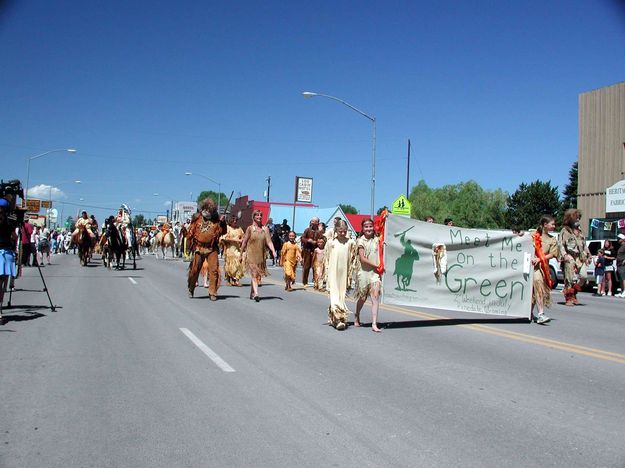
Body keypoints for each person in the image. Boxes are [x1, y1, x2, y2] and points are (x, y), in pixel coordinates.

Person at [186, 198, 227, 300]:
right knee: (194, 270)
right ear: (203, 208)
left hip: (211, 248)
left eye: (210, 210)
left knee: (214, 270)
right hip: (199, 248)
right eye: (206, 209)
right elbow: (190, 234)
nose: (207, 211)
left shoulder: (216, 220)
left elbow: (223, 231)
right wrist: (188, 247)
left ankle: (212, 292)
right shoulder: (197, 219)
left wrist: (223, 222)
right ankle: (191, 288)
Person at [324, 219, 357, 330]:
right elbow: (327, 258)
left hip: (344, 274)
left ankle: (338, 318)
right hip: (333, 273)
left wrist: (350, 274)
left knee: (341, 296)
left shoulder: (351, 242)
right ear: (336, 230)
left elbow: (353, 259)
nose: (342, 233)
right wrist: (326, 273)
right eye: (340, 231)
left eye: (344, 231)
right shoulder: (331, 243)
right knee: (334, 295)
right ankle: (338, 320)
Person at [241, 209, 277, 302]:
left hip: (260, 254)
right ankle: (256, 294)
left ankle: (252, 292)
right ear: (254, 217)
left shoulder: (265, 229)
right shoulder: (250, 228)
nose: (259, 217)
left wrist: (273, 251)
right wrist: (241, 253)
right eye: (257, 215)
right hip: (251, 253)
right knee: (254, 273)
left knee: (256, 274)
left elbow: (269, 241)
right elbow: (244, 241)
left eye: (260, 215)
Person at [354, 218, 383, 332]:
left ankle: (374, 323)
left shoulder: (377, 240)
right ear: (362, 228)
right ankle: (357, 314)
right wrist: (376, 264)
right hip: (364, 273)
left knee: (375, 298)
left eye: (370, 226)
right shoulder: (360, 241)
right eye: (366, 227)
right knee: (362, 297)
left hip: (375, 274)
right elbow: (362, 258)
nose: (368, 229)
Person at [531, 215, 557, 324]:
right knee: (536, 289)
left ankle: (535, 313)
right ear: (545, 225)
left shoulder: (552, 239)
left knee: (538, 289)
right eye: (552, 224)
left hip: (542, 268)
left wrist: (541, 258)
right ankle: (538, 313)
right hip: (531, 267)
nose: (554, 226)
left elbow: (553, 253)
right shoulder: (533, 235)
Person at [558, 209, 588, 306]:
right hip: (569, 256)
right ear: (570, 218)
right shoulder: (565, 231)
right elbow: (561, 245)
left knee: (583, 276)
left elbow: (584, 245)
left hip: (580, 257)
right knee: (569, 278)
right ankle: (569, 297)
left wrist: (588, 256)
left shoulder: (580, 231)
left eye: (579, 217)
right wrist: (565, 255)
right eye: (576, 217)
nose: (578, 219)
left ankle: (574, 291)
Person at [0, 198, 18, 323]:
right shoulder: (10, 221)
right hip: (6, 253)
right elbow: (14, 237)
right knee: (2, 285)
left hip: (6, 253)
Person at [219, 216, 245, 286]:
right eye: (233, 221)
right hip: (229, 248)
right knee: (229, 264)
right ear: (230, 221)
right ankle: (228, 279)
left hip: (237, 248)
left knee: (239, 263)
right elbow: (224, 238)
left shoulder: (239, 228)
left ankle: (236, 279)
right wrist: (235, 239)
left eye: (236, 220)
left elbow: (243, 236)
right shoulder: (227, 228)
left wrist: (242, 240)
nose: (235, 222)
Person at [300, 217, 321, 287]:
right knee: (306, 267)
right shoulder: (307, 230)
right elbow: (302, 238)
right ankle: (305, 282)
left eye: (315, 222)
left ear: (317, 223)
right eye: (312, 221)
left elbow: (323, 239)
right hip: (307, 251)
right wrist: (308, 240)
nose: (313, 223)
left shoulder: (319, 231)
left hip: (316, 251)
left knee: (316, 267)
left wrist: (317, 242)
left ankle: (316, 281)